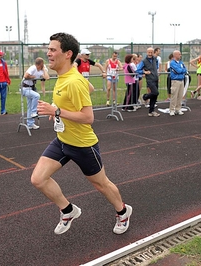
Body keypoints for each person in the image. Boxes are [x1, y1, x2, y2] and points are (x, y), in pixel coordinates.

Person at [32, 32, 132, 235]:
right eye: (48, 49)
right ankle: (68, 211)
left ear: (67, 54)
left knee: (101, 184)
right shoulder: (67, 75)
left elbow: (88, 117)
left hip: (83, 145)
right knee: (38, 179)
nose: (48, 53)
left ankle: (123, 212)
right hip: (62, 140)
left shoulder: (73, 81)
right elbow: (91, 87)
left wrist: (57, 111)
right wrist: (57, 106)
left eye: (53, 50)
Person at [21, 57, 50, 130]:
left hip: (31, 88)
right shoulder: (33, 68)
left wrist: (43, 70)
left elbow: (47, 77)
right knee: (36, 96)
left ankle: (30, 124)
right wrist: (32, 76)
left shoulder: (42, 69)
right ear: (39, 64)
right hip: (24, 88)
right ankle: (34, 112)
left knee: (30, 105)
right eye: (42, 65)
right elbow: (25, 75)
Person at [138, 47, 160, 117]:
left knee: (155, 95)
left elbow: (156, 68)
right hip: (150, 80)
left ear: (153, 52)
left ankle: (151, 111)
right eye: (149, 52)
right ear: (147, 53)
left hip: (155, 79)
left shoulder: (155, 59)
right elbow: (138, 70)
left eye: (151, 52)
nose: (150, 54)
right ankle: (145, 97)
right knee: (155, 92)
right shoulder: (144, 61)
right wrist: (144, 72)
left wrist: (157, 76)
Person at [169, 50, 187, 116]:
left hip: (181, 80)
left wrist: (182, 70)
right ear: (175, 55)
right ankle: (172, 109)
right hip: (175, 81)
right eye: (179, 54)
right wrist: (182, 70)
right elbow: (178, 71)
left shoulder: (181, 62)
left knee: (180, 96)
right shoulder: (172, 63)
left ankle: (178, 109)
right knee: (174, 96)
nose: (180, 55)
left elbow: (185, 69)